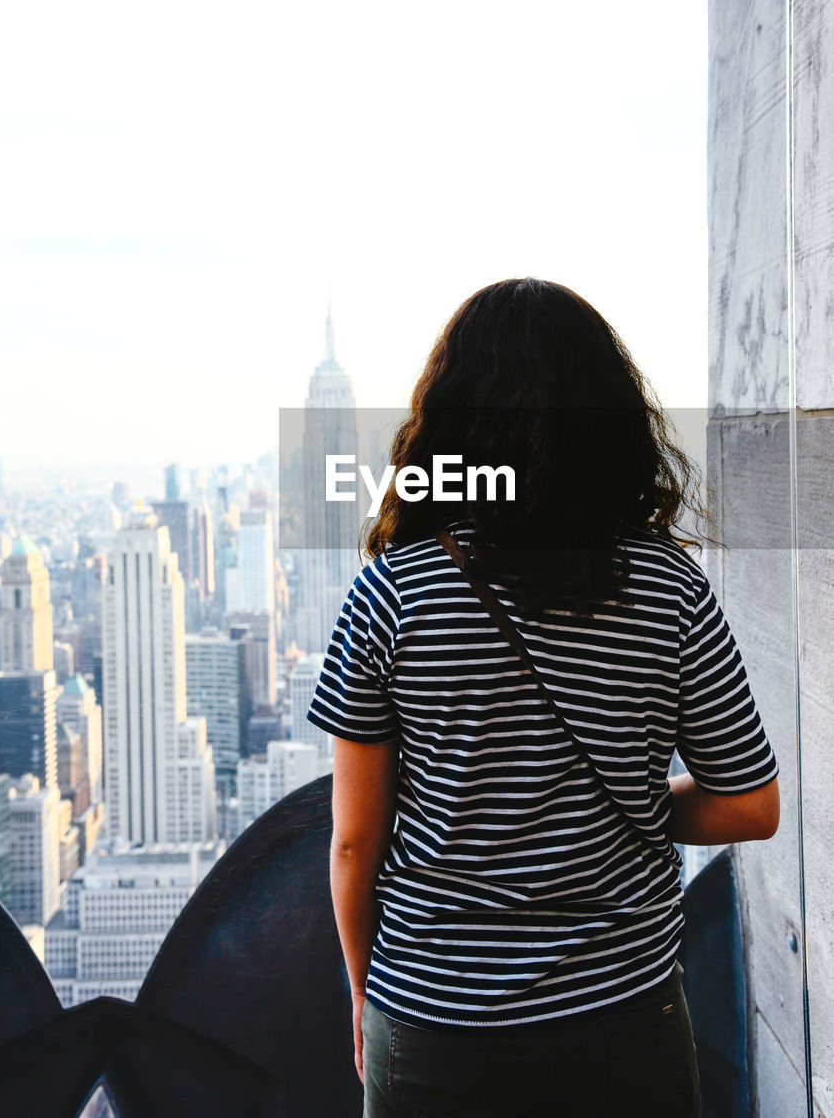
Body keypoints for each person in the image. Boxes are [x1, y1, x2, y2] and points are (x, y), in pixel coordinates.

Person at [307, 278, 780, 1118]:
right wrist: (629, 807)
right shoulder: (672, 588)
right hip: (625, 1016)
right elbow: (749, 806)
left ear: (447, 423)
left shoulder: (393, 595)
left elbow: (353, 846)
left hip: (435, 1020)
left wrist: (363, 993)